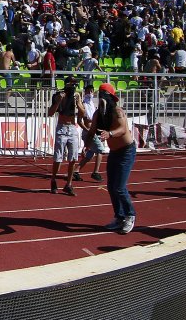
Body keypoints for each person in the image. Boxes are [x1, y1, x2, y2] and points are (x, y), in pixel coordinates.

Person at [85, 83, 137, 234]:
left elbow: (122, 129)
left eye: (104, 94)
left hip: (126, 151)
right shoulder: (97, 114)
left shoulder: (117, 111)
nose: (101, 98)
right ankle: (119, 217)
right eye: (100, 94)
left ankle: (130, 215)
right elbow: (91, 131)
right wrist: (86, 145)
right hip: (114, 152)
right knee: (111, 186)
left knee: (119, 187)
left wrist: (110, 134)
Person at [48, 77, 87, 196]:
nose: (73, 86)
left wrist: (77, 103)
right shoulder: (58, 95)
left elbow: (83, 113)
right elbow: (50, 113)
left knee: (73, 158)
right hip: (62, 127)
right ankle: (53, 180)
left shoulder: (77, 95)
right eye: (71, 83)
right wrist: (59, 101)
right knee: (58, 158)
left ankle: (68, 184)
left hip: (72, 128)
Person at [75, 84, 107, 182]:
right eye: (88, 91)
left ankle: (76, 171)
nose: (90, 93)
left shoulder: (93, 104)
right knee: (100, 150)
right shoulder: (83, 105)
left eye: (91, 91)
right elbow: (79, 121)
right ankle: (95, 172)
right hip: (88, 132)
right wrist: (87, 130)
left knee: (90, 154)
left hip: (94, 131)